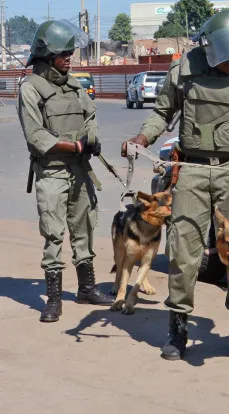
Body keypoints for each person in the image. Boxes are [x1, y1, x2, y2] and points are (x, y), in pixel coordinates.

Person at [123, 8, 229, 361]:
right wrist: (143, 137)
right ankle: (178, 331)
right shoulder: (183, 71)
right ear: (213, 49)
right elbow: (162, 113)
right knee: (183, 254)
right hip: (193, 170)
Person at [17, 20, 114, 324]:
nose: (70, 57)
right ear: (47, 55)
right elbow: (36, 136)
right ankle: (54, 299)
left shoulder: (73, 85)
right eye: (64, 53)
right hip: (53, 172)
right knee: (54, 233)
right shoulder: (30, 89)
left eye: (71, 52)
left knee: (84, 227)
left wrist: (92, 138)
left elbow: (91, 114)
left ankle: (86, 288)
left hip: (80, 171)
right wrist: (74, 147)